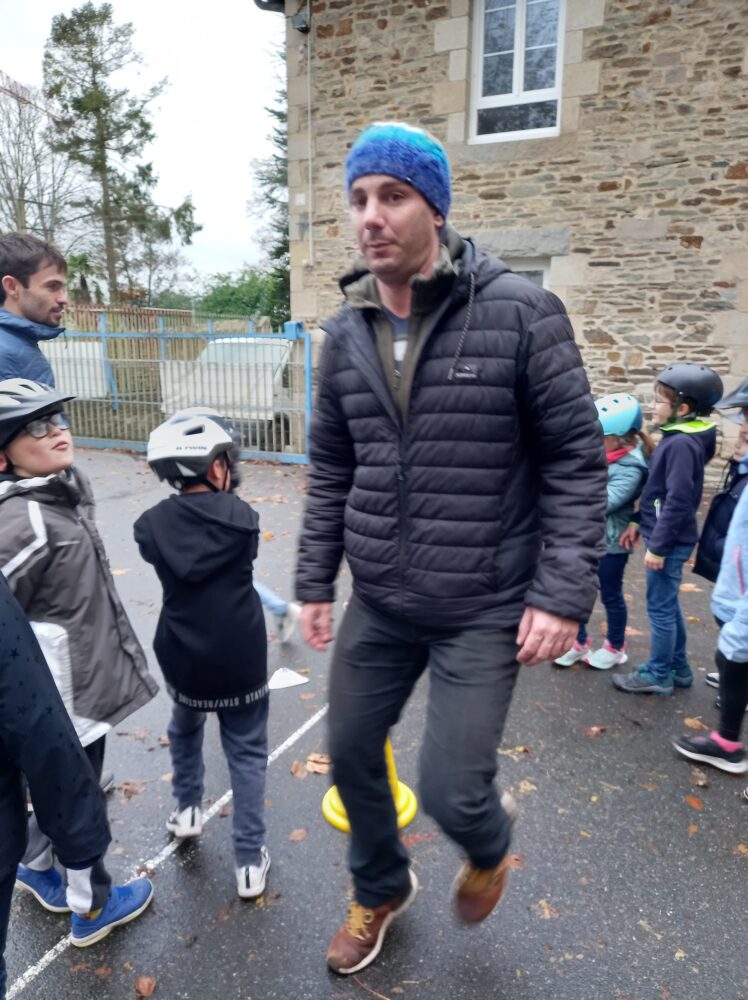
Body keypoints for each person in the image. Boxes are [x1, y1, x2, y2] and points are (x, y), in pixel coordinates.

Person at [294, 122, 607, 976]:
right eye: (359, 198)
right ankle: (380, 887)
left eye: (392, 196)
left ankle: (488, 843)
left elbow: (576, 462)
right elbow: (333, 469)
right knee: (351, 753)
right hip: (382, 599)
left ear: (434, 208)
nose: (370, 216)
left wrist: (560, 592)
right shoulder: (345, 333)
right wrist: (316, 580)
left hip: (483, 602)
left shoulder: (521, 312)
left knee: (449, 789)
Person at [0, 378, 157, 945]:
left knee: (59, 789)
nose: (57, 431)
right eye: (37, 427)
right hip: (64, 698)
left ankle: (38, 866)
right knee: (76, 795)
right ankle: (92, 906)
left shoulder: (55, 492)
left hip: (81, 683)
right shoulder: (24, 519)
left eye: (59, 419)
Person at [134, 408, 271, 899]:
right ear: (216, 467)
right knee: (247, 752)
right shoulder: (244, 519)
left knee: (185, 727)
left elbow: (162, 550)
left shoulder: (149, 526)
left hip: (184, 653)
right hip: (240, 656)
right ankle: (249, 861)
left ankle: (187, 809)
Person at [0, 574, 113, 996]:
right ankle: (87, 900)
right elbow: (33, 719)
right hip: (64, 675)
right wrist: (81, 842)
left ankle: (43, 862)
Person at [614, 363, 723, 696]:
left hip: (669, 541)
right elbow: (657, 492)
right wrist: (638, 520)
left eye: (659, 400)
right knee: (668, 605)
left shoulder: (680, 446)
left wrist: (659, 546)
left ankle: (659, 673)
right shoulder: (679, 438)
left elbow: (678, 501)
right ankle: (678, 667)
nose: (652, 406)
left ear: (683, 408)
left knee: (660, 609)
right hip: (667, 536)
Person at [554, 393, 650, 670]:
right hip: (583, 539)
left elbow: (602, 503)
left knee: (610, 595)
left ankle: (615, 647)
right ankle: (578, 642)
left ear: (621, 438)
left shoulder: (631, 467)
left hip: (610, 543)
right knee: (577, 593)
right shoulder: (601, 455)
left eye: (601, 436)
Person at [672, 483, 748, 793]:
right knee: (732, 658)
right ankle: (727, 741)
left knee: (732, 654)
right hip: (736, 591)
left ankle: (727, 744)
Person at [0, 233, 67, 386]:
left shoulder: (17, 343)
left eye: (63, 288)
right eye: (52, 287)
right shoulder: (7, 355)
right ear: (12, 287)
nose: (64, 299)